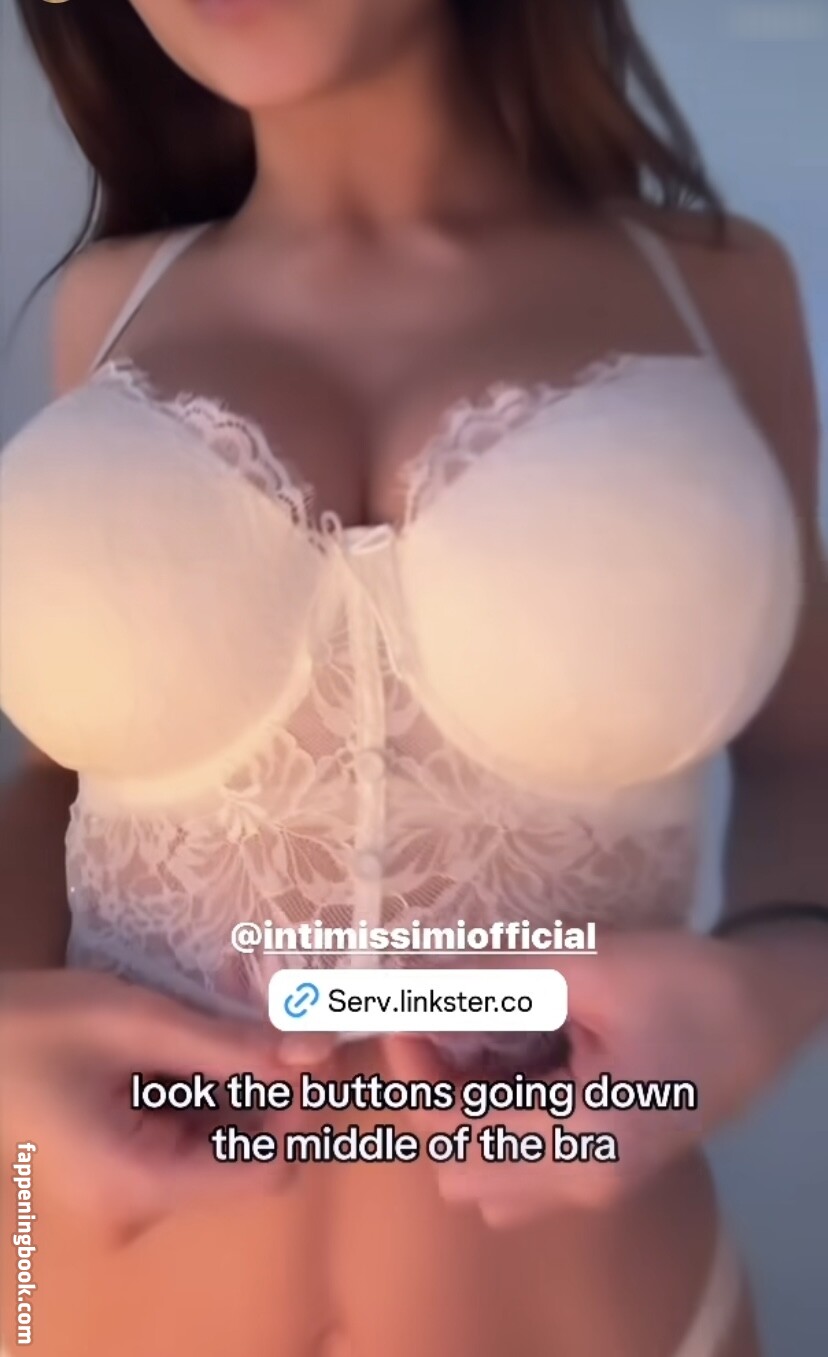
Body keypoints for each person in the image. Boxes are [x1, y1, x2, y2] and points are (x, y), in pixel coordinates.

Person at [1, 2, 826, 1355]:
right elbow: (70, 779)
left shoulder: (721, 290)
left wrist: (777, 986)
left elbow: (807, 751)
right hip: (65, 1305)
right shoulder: (109, 306)